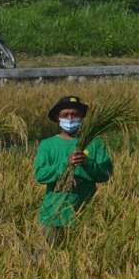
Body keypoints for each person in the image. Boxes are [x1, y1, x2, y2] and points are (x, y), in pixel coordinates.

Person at [34, 96, 112, 240]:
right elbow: (40, 175)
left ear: (82, 117)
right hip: (53, 215)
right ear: (58, 118)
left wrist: (87, 163)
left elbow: (106, 174)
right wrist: (66, 163)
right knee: (50, 258)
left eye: (74, 114)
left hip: (85, 214)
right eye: (65, 115)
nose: (70, 118)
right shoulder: (47, 145)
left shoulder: (94, 143)